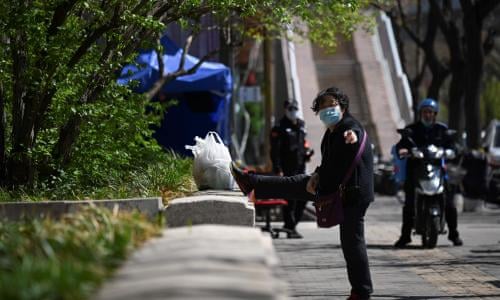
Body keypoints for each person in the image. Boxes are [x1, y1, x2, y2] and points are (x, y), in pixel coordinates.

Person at [232, 86, 374, 300]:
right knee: (296, 185)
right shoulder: (331, 131)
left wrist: (351, 137)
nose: (327, 109)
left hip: (351, 193)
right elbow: (330, 163)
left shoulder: (348, 127)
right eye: (323, 106)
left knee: (353, 242)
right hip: (336, 187)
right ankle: (251, 183)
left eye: (331, 104)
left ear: (342, 106)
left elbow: (352, 134)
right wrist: (317, 175)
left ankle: (362, 292)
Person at [394, 98, 463, 248]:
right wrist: (403, 150)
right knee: (409, 204)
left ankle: (454, 234)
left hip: (437, 171)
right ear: (420, 113)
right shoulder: (412, 129)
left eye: (430, 112)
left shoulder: (441, 129)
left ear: (435, 114)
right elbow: (401, 144)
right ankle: (405, 236)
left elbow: (453, 146)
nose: (427, 115)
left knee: (449, 203)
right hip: (416, 171)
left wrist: (452, 151)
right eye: (425, 112)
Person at [270, 99, 314, 239]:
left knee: (305, 196)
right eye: (290, 108)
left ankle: (292, 225)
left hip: (301, 167)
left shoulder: (301, 125)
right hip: (287, 169)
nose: (293, 111)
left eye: (295, 108)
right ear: (285, 109)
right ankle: (290, 226)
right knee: (290, 199)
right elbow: (275, 151)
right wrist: (278, 168)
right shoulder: (279, 127)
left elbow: (303, 143)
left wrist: (306, 154)